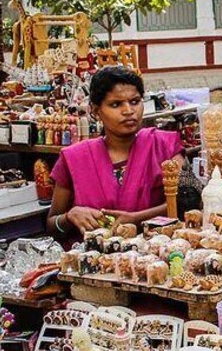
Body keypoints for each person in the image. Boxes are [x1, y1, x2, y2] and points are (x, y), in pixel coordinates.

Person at [47, 66, 185, 238]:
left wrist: (136, 219)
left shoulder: (164, 146)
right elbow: (52, 225)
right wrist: (69, 217)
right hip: (93, 259)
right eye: (115, 104)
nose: (128, 111)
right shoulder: (74, 158)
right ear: (96, 111)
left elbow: (187, 202)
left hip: (157, 256)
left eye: (135, 101)